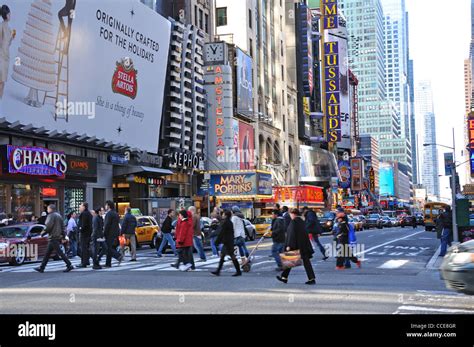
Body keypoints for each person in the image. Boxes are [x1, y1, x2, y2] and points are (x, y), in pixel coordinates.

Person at [276, 209, 316, 285]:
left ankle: (284, 277)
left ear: (293, 214)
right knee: (304, 261)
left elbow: (291, 234)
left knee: (290, 260)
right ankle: (285, 277)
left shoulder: (294, 222)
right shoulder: (301, 222)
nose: (290, 216)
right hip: (303, 245)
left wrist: (289, 245)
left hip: (296, 245)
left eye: (290, 214)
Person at [34, 205, 73, 273]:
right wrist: (63, 236)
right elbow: (63, 227)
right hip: (57, 236)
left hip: (53, 236)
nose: (47, 210)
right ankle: (42, 267)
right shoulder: (59, 216)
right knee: (48, 253)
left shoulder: (51, 216)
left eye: (48, 208)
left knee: (59, 252)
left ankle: (69, 264)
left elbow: (48, 226)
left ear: (50, 209)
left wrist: (42, 233)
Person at [211, 210, 242, 277]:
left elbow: (221, 232)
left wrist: (217, 241)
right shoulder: (229, 222)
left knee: (232, 256)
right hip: (229, 241)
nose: (222, 215)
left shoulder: (226, 222)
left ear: (226, 215)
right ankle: (218, 271)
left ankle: (238, 271)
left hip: (228, 242)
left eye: (223, 214)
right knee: (224, 255)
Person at [103, 201, 124, 267]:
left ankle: (118, 256)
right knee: (110, 248)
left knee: (108, 248)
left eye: (106, 205)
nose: (105, 206)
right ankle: (108, 263)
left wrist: (104, 233)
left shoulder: (109, 214)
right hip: (116, 233)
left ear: (108, 206)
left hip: (109, 234)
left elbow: (107, 225)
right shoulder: (116, 213)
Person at [0, 5, 14, 99]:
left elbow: (8, 43)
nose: (10, 15)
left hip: (6, 57)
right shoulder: (1, 26)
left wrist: (12, 37)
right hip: (1, 56)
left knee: (3, 82)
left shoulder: (8, 28)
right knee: (0, 82)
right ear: (6, 15)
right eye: (9, 14)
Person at [77, 202, 93, 268]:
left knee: (83, 248)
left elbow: (83, 225)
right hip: (88, 233)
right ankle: (86, 261)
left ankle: (83, 262)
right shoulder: (89, 213)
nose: (79, 208)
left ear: (84, 207)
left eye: (80, 206)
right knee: (86, 248)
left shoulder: (84, 214)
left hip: (84, 234)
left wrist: (80, 229)